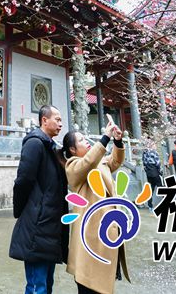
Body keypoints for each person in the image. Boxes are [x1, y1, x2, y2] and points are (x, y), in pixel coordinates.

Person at [62, 119, 130, 294]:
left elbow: (115, 161)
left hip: (107, 232)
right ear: (72, 150)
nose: (86, 141)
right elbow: (87, 163)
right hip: (90, 235)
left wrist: (117, 141)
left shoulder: (99, 162)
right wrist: (105, 138)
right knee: (89, 284)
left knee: (102, 281)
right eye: (81, 140)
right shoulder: (74, 166)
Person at [9, 105, 67, 294]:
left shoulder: (50, 146)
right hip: (38, 224)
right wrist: (20, 211)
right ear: (44, 120)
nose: (60, 123)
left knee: (46, 283)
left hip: (49, 224)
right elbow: (23, 181)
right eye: (57, 119)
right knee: (37, 286)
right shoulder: (35, 143)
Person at [141, 144, 163, 211]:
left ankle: (150, 205)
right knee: (161, 187)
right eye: (154, 145)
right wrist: (161, 172)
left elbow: (144, 163)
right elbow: (157, 163)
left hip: (148, 173)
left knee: (151, 189)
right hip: (155, 172)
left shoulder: (144, 153)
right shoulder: (154, 152)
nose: (155, 146)